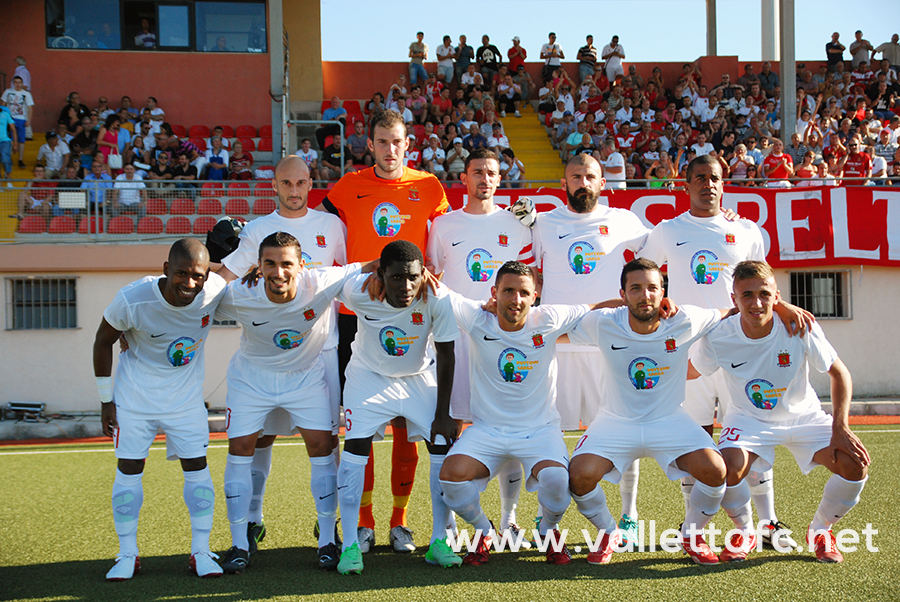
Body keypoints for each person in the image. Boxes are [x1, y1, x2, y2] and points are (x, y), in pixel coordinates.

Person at [639, 154, 799, 552]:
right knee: (693, 439)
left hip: (739, 348)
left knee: (749, 436)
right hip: (689, 351)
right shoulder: (667, 230)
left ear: (723, 183)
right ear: (685, 184)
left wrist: (780, 307)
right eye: (699, 179)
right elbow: (645, 270)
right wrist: (660, 302)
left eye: (714, 178)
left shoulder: (746, 231)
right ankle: (694, 525)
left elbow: (762, 284)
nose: (707, 185)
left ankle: (769, 523)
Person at [318, 109, 449, 555]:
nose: (390, 150)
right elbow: (318, 231)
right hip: (359, 311)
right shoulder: (347, 187)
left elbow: (446, 236)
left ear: (407, 145)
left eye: (398, 142)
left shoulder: (429, 187)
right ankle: (362, 523)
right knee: (360, 425)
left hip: (412, 309)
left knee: (405, 426)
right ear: (369, 144)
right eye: (382, 141)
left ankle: (400, 522)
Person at [689, 260, 869, 563]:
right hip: (748, 419)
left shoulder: (800, 327)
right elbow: (692, 372)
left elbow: (839, 373)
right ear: (734, 299)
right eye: (746, 295)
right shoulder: (720, 335)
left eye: (764, 294)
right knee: (726, 470)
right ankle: (745, 531)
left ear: (777, 296)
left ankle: (821, 530)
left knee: (855, 465)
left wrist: (841, 427)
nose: (756, 303)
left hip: (805, 417)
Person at [217, 156, 347, 557]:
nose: (294, 190)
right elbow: (225, 281)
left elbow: (350, 277)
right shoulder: (257, 231)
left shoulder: (332, 227)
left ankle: (330, 526)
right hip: (265, 355)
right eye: (286, 183)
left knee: (325, 441)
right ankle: (252, 520)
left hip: (321, 353)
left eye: (301, 182)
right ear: (274, 184)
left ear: (312, 183)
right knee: (261, 436)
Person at [440, 260, 610, 566]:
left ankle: (547, 530)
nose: (515, 300)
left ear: (535, 297)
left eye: (523, 293)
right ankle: (483, 531)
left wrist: (637, 301)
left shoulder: (549, 318)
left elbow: (595, 307)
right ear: (494, 293)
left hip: (539, 430)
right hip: (487, 430)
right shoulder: (477, 318)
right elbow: (440, 291)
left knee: (558, 480)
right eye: (508, 291)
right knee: (450, 479)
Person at [216, 231, 367, 573]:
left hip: (305, 375)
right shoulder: (239, 293)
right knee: (241, 447)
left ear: (302, 265)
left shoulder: (321, 281)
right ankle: (240, 543)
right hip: (252, 377)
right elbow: (193, 300)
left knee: (322, 444)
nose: (278, 272)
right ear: (259, 266)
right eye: (270, 263)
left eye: (286, 264)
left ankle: (327, 539)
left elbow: (370, 266)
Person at [567, 258, 729, 565]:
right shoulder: (604, 322)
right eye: (636, 289)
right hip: (615, 422)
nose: (645, 295)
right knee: (579, 476)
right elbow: (556, 328)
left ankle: (692, 536)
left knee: (716, 470)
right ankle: (608, 531)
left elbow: (727, 314)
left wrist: (783, 308)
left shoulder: (685, 320)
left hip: (669, 420)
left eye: (653, 288)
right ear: (623, 293)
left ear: (663, 291)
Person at [532, 154, 650, 545]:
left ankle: (629, 513)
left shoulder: (626, 221)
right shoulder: (544, 224)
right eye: (576, 176)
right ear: (564, 182)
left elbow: (665, 250)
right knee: (547, 433)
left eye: (590, 176)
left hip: (610, 345)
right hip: (560, 347)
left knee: (623, 430)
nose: (583, 182)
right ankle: (545, 517)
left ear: (604, 182)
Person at [93, 239, 227, 580]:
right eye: (181, 273)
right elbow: (102, 340)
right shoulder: (133, 298)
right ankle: (127, 554)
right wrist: (106, 400)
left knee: (197, 469)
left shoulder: (215, 291)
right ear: (166, 270)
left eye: (197, 275)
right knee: (129, 470)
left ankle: (200, 551)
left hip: (184, 401)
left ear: (207, 275)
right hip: (134, 399)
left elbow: (242, 281)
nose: (190, 283)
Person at [426, 149, 536, 539]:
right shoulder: (443, 225)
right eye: (477, 172)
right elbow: (434, 278)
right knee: (451, 421)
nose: (485, 179)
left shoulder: (518, 223)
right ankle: (449, 524)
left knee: (508, 422)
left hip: (504, 339)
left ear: (499, 177)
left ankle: (508, 519)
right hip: (457, 338)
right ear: (464, 178)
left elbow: (531, 276)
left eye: (491, 172)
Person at [334, 240, 459, 574]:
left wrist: (444, 413)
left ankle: (439, 540)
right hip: (368, 378)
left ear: (424, 274)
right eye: (396, 278)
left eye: (413, 277)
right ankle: (349, 546)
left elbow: (447, 354)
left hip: (419, 377)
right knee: (353, 455)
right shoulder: (358, 290)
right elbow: (318, 281)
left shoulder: (437, 297)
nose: (405, 286)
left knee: (442, 446)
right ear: (380, 274)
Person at [2, 75, 33, 168]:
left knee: (21, 139)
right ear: (13, 83)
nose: (18, 84)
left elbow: (30, 108)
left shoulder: (26, 94)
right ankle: (9, 158)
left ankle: (20, 159)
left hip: (21, 118)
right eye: (16, 82)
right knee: (9, 139)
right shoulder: (8, 92)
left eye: (19, 82)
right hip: (9, 118)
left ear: (22, 83)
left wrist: (29, 120)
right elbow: (2, 104)